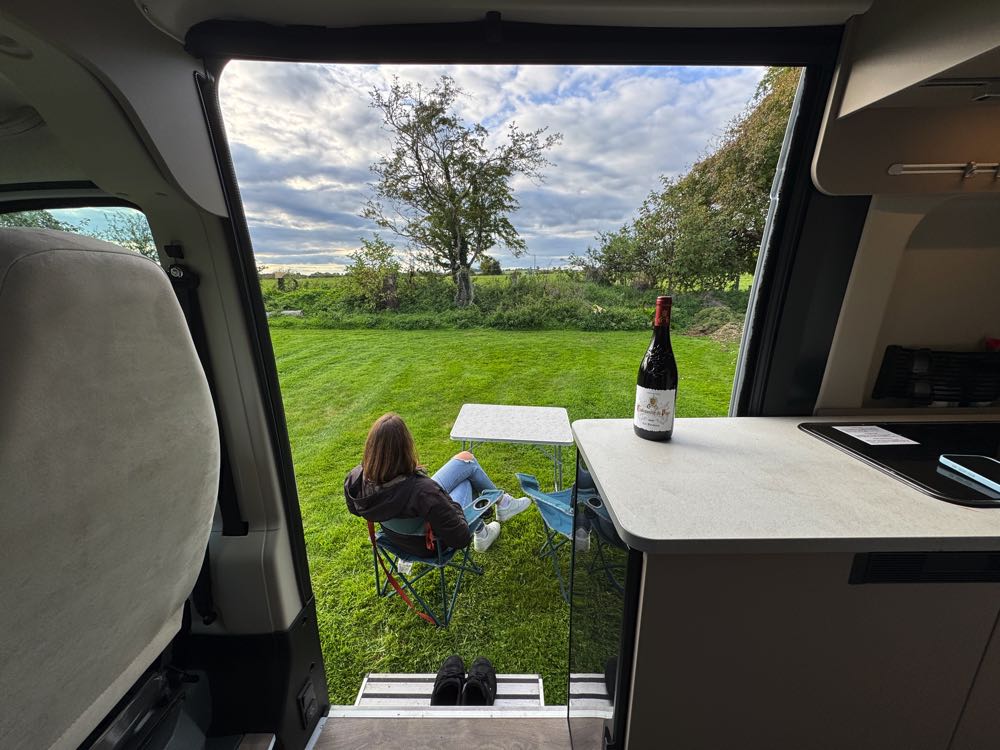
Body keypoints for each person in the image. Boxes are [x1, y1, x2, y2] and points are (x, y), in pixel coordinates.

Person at [344, 413, 531, 556]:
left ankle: (502, 503)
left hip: (397, 533)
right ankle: (485, 531)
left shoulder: (356, 478)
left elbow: (356, 509)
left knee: (465, 459)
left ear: (372, 448)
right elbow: (459, 538)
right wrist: (451, 504)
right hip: (427, 544)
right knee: (465, 484)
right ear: (405, 448)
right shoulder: (422, 491)